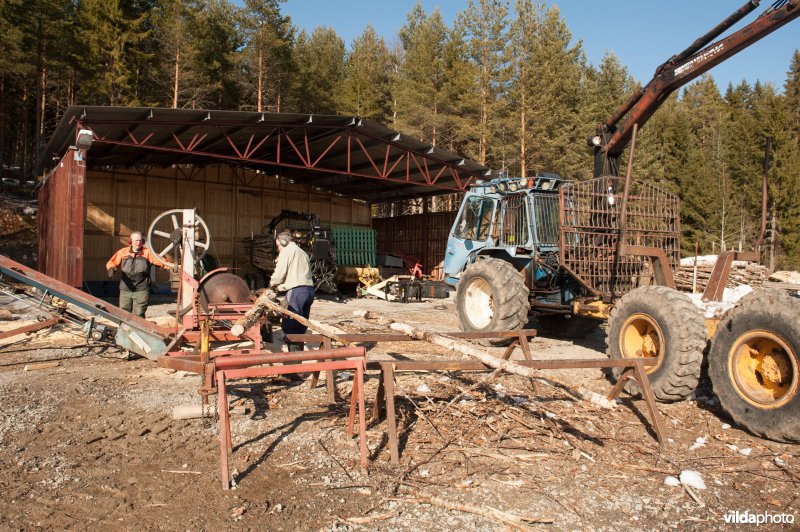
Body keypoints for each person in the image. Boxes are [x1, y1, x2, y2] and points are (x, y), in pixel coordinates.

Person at [106, 231, 170, 318]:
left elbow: (162, 262)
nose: (138, 243)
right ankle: (124, 331)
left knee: (139, 314)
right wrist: (111, 269)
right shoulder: (123, 252)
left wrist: (173, 267)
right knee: (123, 313)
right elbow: (111, 263)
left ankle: (137, 331)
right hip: (126, 289)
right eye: (136, 240)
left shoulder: (148, 253)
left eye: (140, 240)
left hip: (142, 289)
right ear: (130, 241)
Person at [270, 230, 314, 352]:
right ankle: (298, 359)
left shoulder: (287, 251)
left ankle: (293, 366)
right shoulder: (302, 252)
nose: (278, 248)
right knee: (301, 326)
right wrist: (282, 287)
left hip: (297, 292)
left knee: (291, 327)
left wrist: (272, 285)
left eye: (278, 245)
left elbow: (278, 275)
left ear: (284, 242)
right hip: (309, 291)